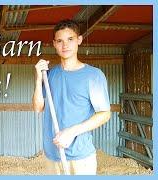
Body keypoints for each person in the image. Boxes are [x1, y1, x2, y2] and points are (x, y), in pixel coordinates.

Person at [32, 19, 111, 175]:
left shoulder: (93, 76)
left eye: (70, 39)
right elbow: (38, 107)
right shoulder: (49, 75)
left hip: (81, 158)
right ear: (54, 44)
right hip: (52, 156)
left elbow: (105, 114)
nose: (65, 45)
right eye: (60, 41)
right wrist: (38, 79)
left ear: (79, 40)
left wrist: (71, 131)